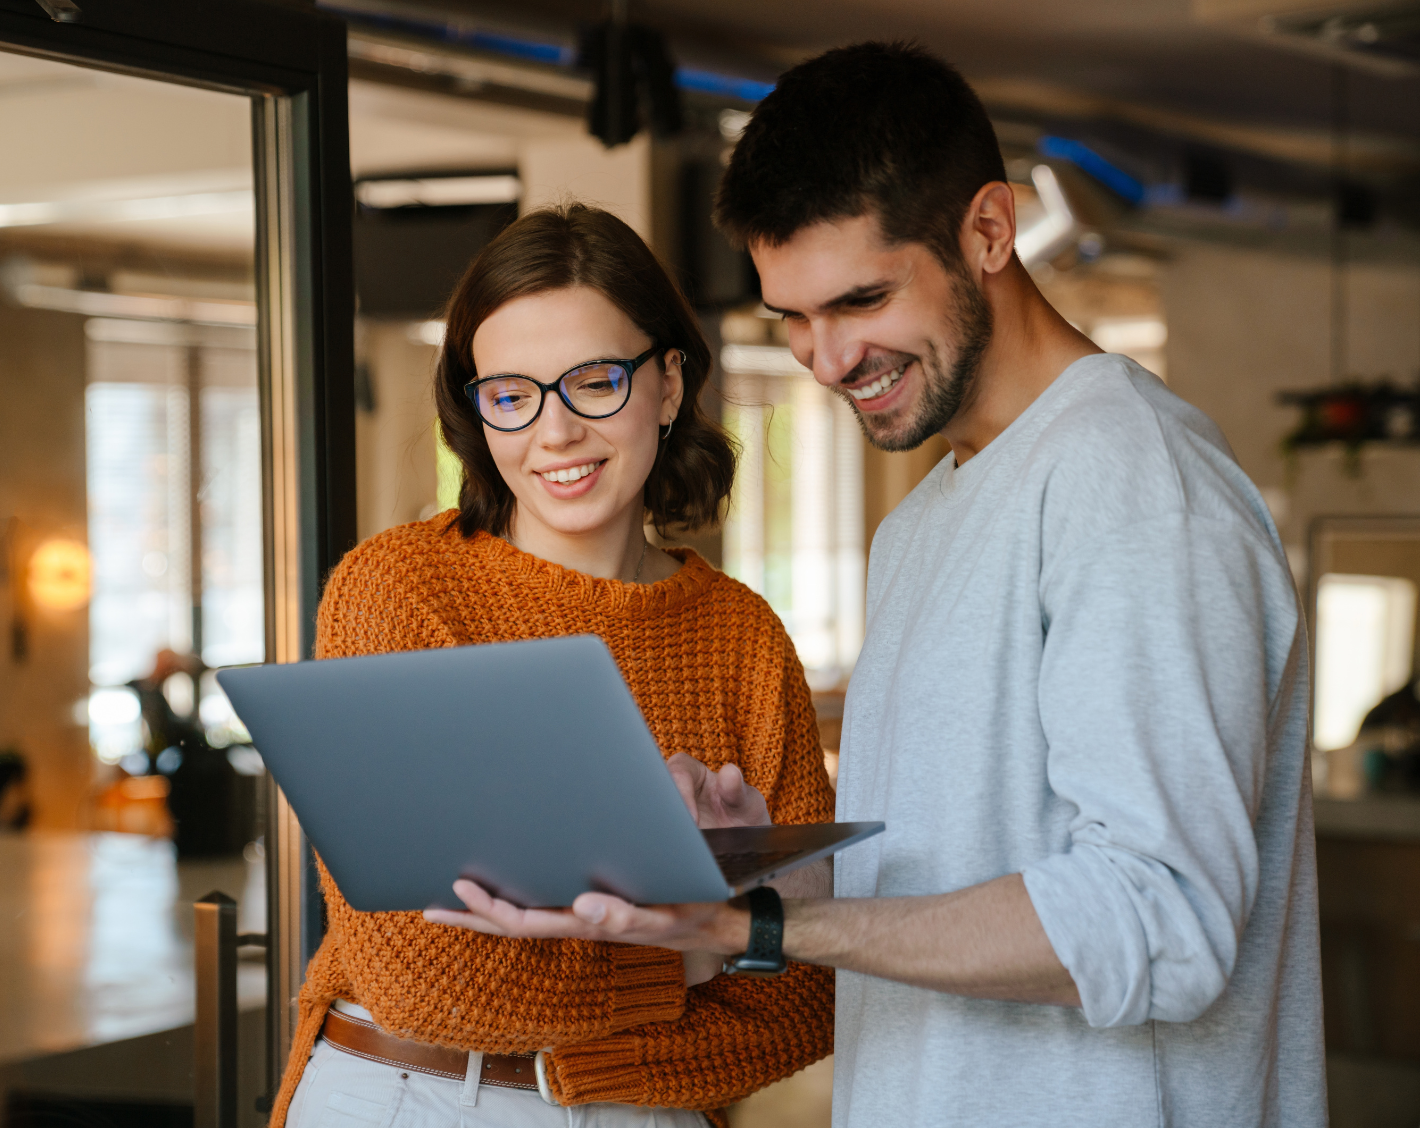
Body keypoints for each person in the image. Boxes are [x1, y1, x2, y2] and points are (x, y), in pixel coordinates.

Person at [427, 42, 1326, 1128]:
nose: (826, 357)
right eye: (791, 318)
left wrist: (759, 933)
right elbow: (936, 898)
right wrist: (753, 877)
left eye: (859, 300)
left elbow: (1165, 922)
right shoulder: (921, 527)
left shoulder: (1136, 485)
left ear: (988, 231)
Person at [271, 203, 836, 1128]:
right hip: (411, 1097)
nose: (555, 431)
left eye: (594, 382)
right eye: (512, 394)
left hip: (649, 1114)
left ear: (667, 382)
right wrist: (705, 948)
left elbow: (804, 998)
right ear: (478, 409)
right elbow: (421, 978)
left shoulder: (743, 637)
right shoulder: (403, 591)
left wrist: (718, 950)